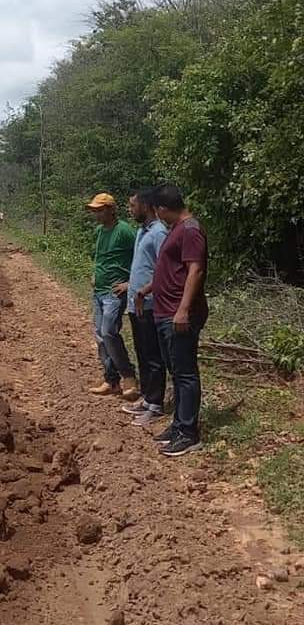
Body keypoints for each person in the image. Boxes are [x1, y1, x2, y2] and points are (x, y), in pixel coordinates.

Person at [142, 183, 208, 458]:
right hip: (165, 310)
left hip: (178, 314)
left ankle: (189, 433)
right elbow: (169, 269)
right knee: (176, 371)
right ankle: (179, 425)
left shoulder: (191, 230)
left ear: (162, 209)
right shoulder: (177, 230)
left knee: (185, 373)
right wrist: (148, 289)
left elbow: (196, 270)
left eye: (158, 212)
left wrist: (183, 309)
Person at [115, 188, 167, 427]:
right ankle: (146, 399)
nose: (130, 209)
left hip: (150, 304)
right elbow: (142, 265)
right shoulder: (141, 231)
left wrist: (145, 290)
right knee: (142, 353)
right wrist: (130, 285)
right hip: (136, 303)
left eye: (133, 205)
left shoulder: (158, 233)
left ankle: (156, 404)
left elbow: (162, 270)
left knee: (153, 355)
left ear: (146, 206)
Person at [87, 192, 139, 401]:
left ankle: (128, 376)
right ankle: (111, 380)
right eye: (94, 211)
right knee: (100, 335)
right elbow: (100, 256)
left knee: (109, 332)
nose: (97, 215)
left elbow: (143, 257)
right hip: (98, 291)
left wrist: (130, 283)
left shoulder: (125, 231)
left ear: (111, 209)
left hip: (114, 292)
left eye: (100, 210)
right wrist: (94, 273)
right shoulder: (100, 231)